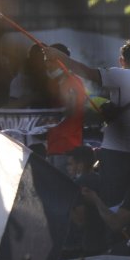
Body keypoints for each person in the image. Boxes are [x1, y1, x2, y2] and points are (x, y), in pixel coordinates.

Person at [44, 41, 130, 206]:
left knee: (109, 202)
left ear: (121, 60)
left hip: (114, 153)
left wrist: (60, 57)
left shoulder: (119, 75)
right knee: (129, 204)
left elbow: (88, 73)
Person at [44, 44, 88, 175]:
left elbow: (72, 109)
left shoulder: (73, 82)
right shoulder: (56, 82)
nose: (47, 64)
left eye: (50, 60)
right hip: (53, 147)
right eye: (45, 60)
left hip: (67, 149)